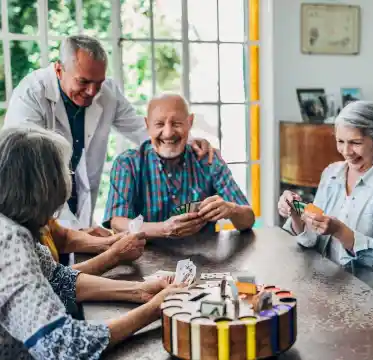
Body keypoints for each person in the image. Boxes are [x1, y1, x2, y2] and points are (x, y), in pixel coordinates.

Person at [0, 126, 184, 359]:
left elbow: (57, 279)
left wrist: (139, 291)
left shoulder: (12, 226)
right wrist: (156, 308)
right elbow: (67, 345)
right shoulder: (8, 240)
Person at [2, 34, 216, 233]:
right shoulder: (31, 95)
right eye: (83, 82)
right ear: (59, 71)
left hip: (80, 206)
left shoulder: (107, 93)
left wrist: (189, 140)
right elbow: (27, 171)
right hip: (34, 208)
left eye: (99, 82)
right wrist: (74, 230)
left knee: (76, 267)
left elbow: (142, 130)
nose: (92, 92)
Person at [278, 101, 373, 273]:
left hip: (369, 286)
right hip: (328, 276)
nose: (346, 151)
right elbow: (312, 239)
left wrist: (339, 231)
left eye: (355, 143)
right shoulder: (331, 173)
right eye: (340, 141)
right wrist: (297, 214)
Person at [103, 94, 255, 237]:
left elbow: (248, 220)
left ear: (190, 122)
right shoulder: (127, 164)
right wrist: (163, 229)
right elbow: (117, 223)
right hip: (143, 256)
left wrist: (232, 209)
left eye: (176, 123)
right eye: (159, 124)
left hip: (204, 258)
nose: (168, 133)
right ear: (147, 125)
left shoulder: (208, 160)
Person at [41, 219, 146, 275]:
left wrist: (107, 242)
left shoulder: (42, 216)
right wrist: (113, 256)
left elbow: (63, 237)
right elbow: (55, 280)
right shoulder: (25, 237)